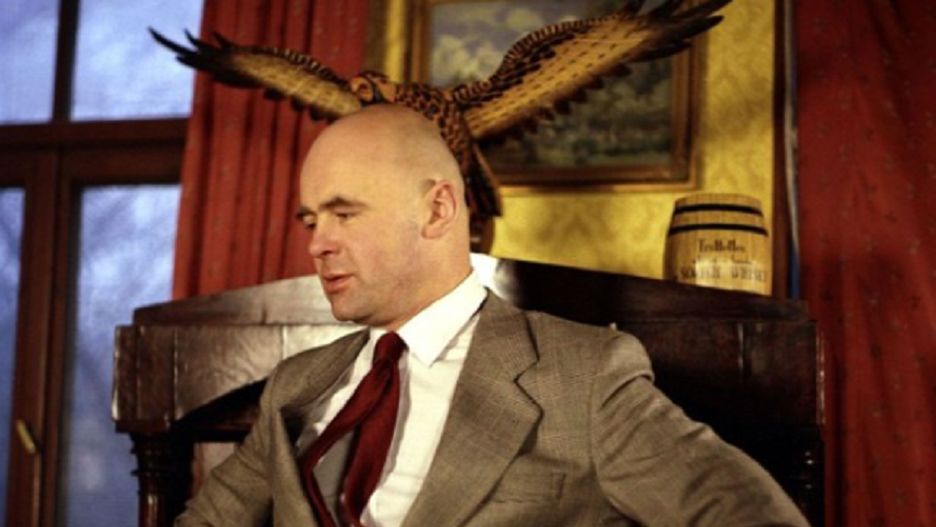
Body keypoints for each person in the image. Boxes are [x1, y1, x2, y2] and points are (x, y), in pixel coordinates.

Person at [177, 105, 809, 526]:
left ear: (438, 210)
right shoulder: (295, 387)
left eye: (344, 214)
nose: (318, 243)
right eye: (311, 220)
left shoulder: (585, 378)